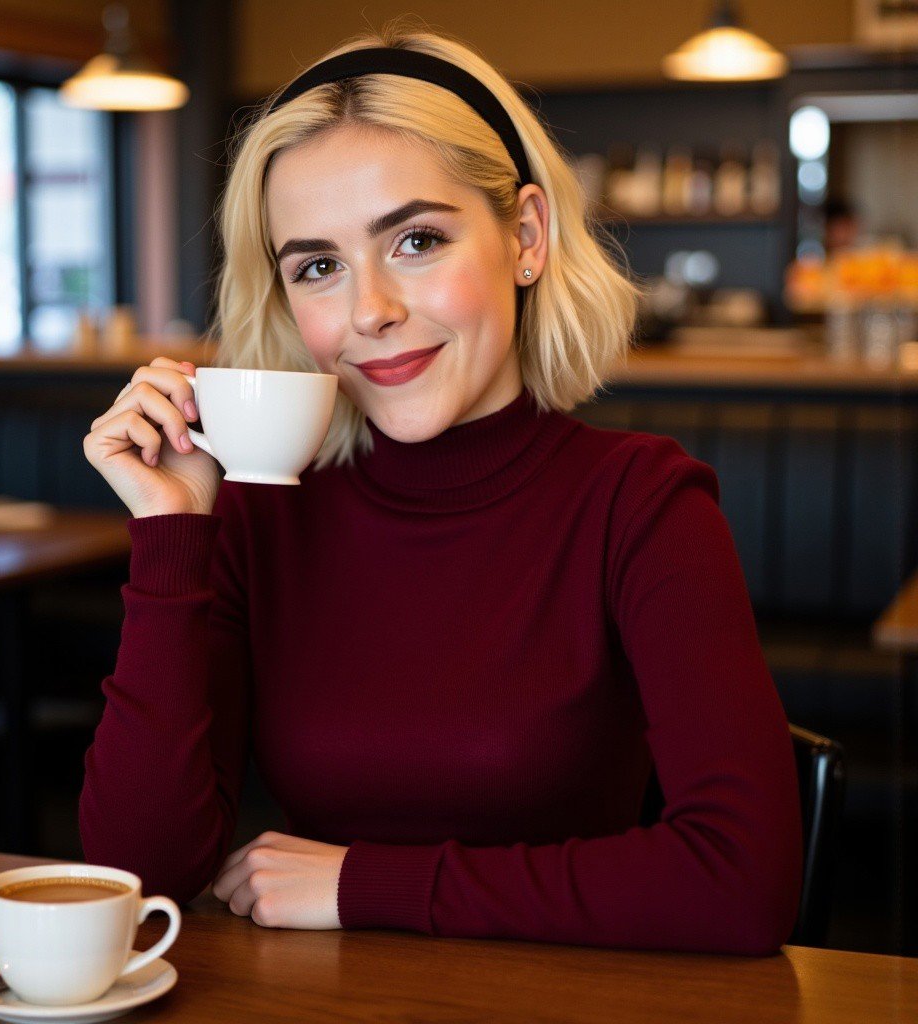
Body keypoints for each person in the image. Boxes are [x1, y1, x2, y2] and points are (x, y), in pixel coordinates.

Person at [81, 20, 802, 955]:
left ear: (527, 236)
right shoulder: (257, 514)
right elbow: (140, 882)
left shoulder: (642, 504)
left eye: (416, 240)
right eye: (319, 266)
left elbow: (742, 883)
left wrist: (359, 880)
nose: (369, 311)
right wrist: (171, 532)